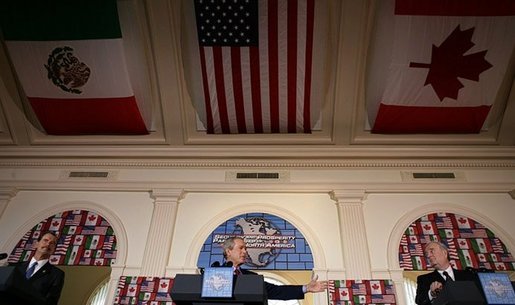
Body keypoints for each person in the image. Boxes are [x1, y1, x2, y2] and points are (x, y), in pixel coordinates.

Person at [221, 236, 328, 300]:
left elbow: (276, 291)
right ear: (228, 251)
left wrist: (306, 288)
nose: (245, 251)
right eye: (241, 248)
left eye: (245, 248)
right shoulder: (212, 275)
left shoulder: (252, 277)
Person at [5, 231, 65, 305]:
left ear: (53, 250)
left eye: (52, 243)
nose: (48, 244)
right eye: (45, 240)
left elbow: (51, 301)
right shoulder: (14, 267)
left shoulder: (56, 274)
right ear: (36, 244)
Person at [415, 241, 477, 305]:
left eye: (431, 251)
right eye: (426, 254)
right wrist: (431, 294)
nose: (428, 256)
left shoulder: (468, 275)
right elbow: (420, 301)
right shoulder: (423, 279)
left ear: (444, 253)